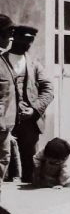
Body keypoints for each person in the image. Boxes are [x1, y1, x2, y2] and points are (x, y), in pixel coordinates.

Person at [4, 26, 53, 183]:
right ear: (14, 38)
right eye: (24, 38)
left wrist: (34, 109)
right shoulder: (1, 62)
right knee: (6, 166)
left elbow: (48, 90)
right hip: (4, 124)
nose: (27, 43)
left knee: (30, 166)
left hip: (30, 124)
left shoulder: (34, 65)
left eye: (30, 40)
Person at [0, 15, 16, 200]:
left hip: (4, 124)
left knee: (4, 159)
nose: (11, 38)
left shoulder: (4, 58)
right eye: (7, 33)